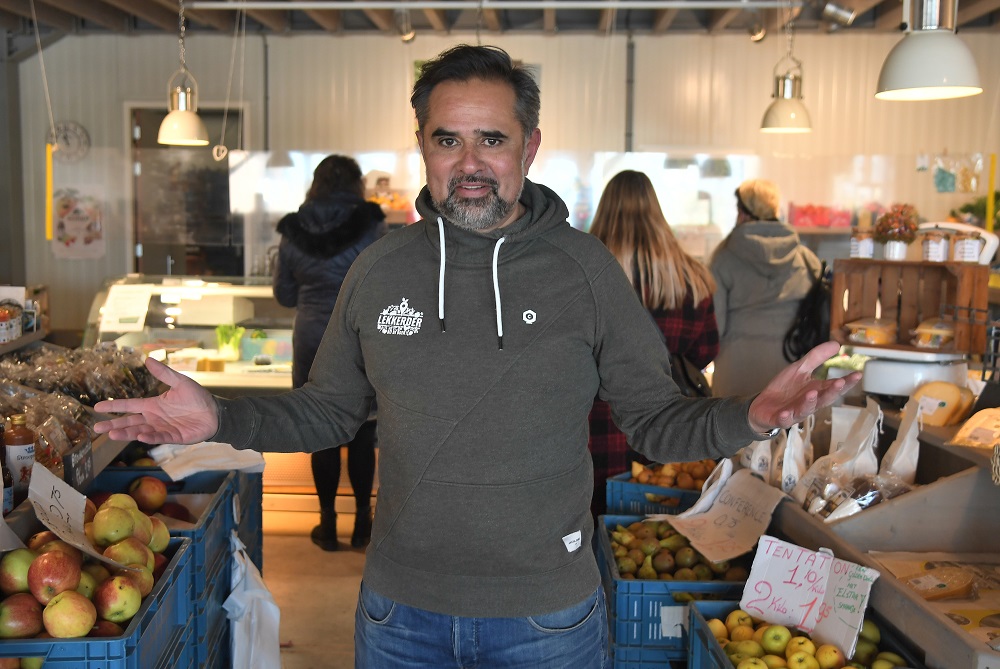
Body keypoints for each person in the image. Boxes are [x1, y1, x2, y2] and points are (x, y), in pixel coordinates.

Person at [95, 45, 859, 669]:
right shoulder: (380, 267)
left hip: (549, 619)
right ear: (422, 144)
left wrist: (748, 416)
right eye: (446, 138)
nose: (469, 161)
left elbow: (655, 422)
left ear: (528, 145)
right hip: (400, 616)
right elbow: (326, 410)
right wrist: (219, 415)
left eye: (491, 138)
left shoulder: (584, 269)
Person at [586, 170, 719, 519]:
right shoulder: (690, 276)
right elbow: (705, 352)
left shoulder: (582, 273)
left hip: (594, 426)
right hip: (667, 428)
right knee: (655, 532)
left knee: (593, 525)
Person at [272, 154, 386, 551]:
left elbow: (285, 294)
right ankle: (362, 524)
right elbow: (383, 286)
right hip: (359, 335)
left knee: (320, 426)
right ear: (356, 186)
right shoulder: (371, 225)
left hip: (311, 337)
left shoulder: (293, 229)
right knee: (362, 429)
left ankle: (326, 523)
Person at [710, 179, 823, 398]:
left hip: (736, 372)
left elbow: (716, 325)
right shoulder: (806, 258)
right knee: (785, 430)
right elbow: (817, 317)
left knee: (736, 430)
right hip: (790, 369)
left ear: (742, 213)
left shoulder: (723, 257)